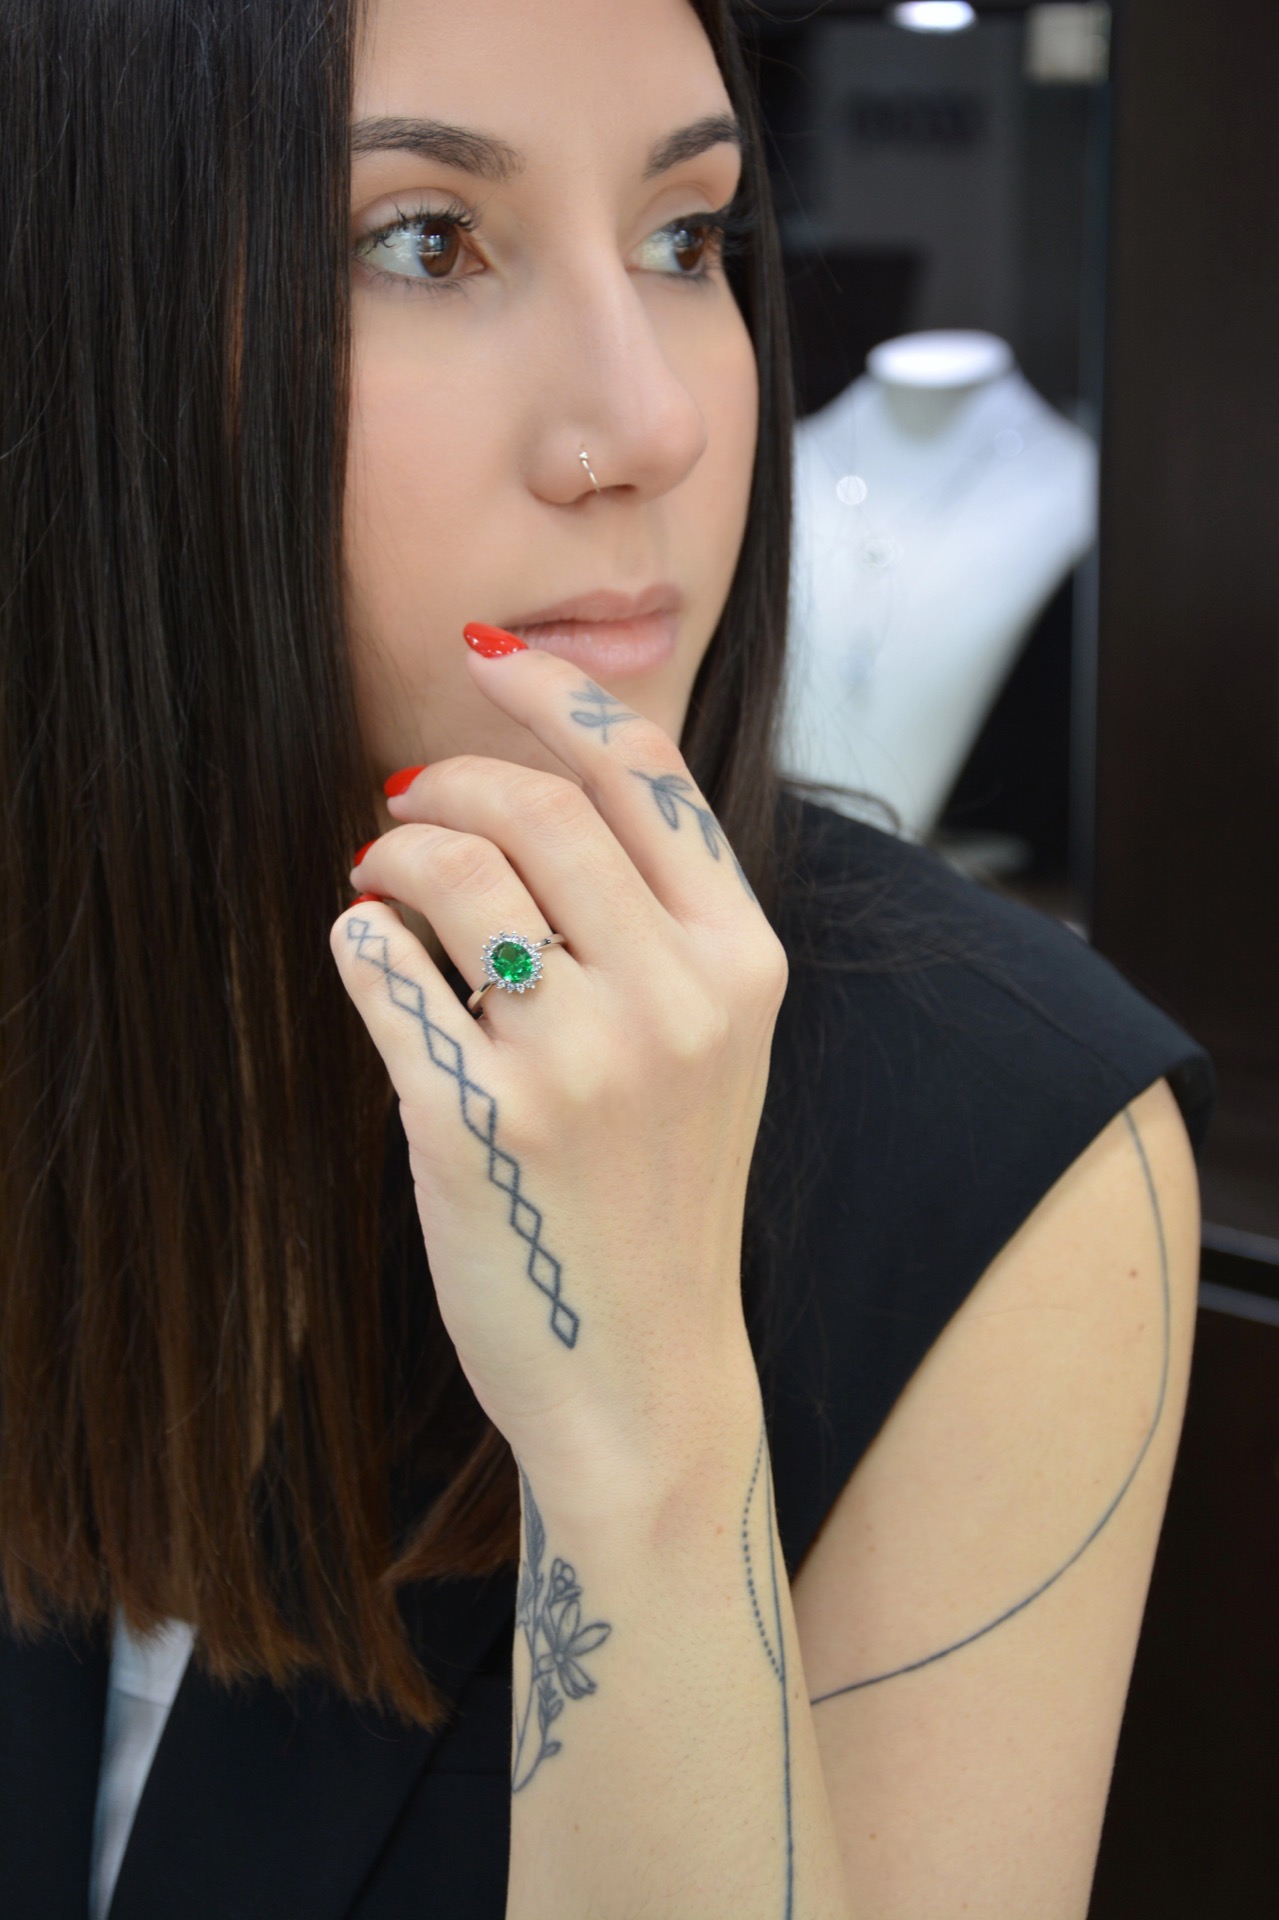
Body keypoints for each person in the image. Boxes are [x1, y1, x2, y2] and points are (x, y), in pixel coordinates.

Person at [0, 1, 1214, 1916]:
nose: (653, 424)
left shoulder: (1004, 1143)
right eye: (427, 242)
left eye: (688, 235)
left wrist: (642, 1421)